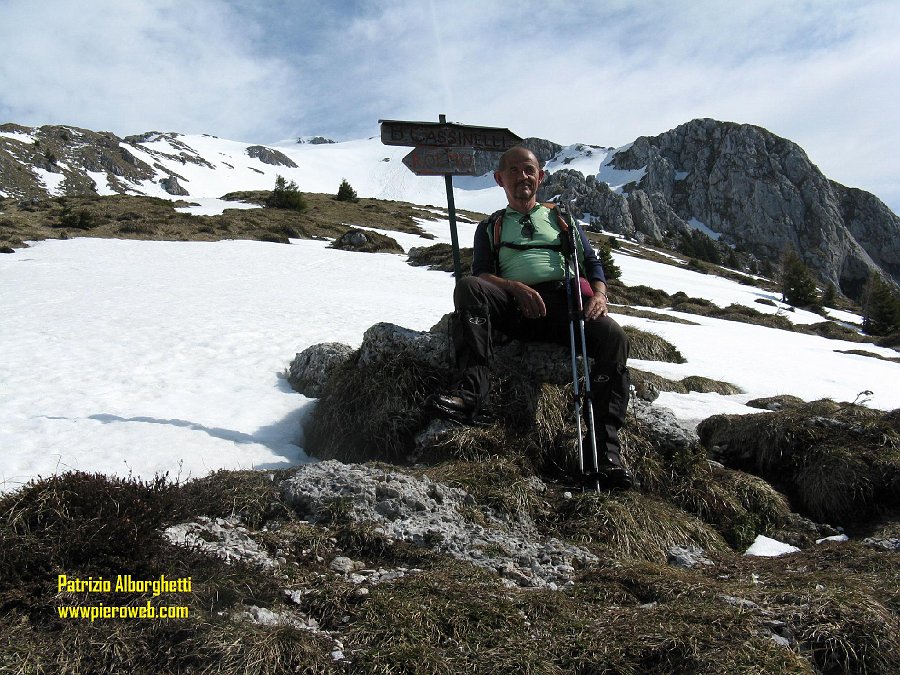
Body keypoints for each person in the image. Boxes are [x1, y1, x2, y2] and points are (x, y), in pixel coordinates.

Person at [433, 146, 633, 489]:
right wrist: (515, 288)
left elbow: (593, 264)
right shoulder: (490, 226)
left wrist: (600, 294)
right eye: (513, 170)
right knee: (467, 287)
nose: (522, 176)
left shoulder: (563, 220)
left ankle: (605, 448)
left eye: (529, 170)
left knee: (614, 337)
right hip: (513, 308)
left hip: (564, 307)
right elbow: (482, 274)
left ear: (540, 176)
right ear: (499, 179)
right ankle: (471, 393)